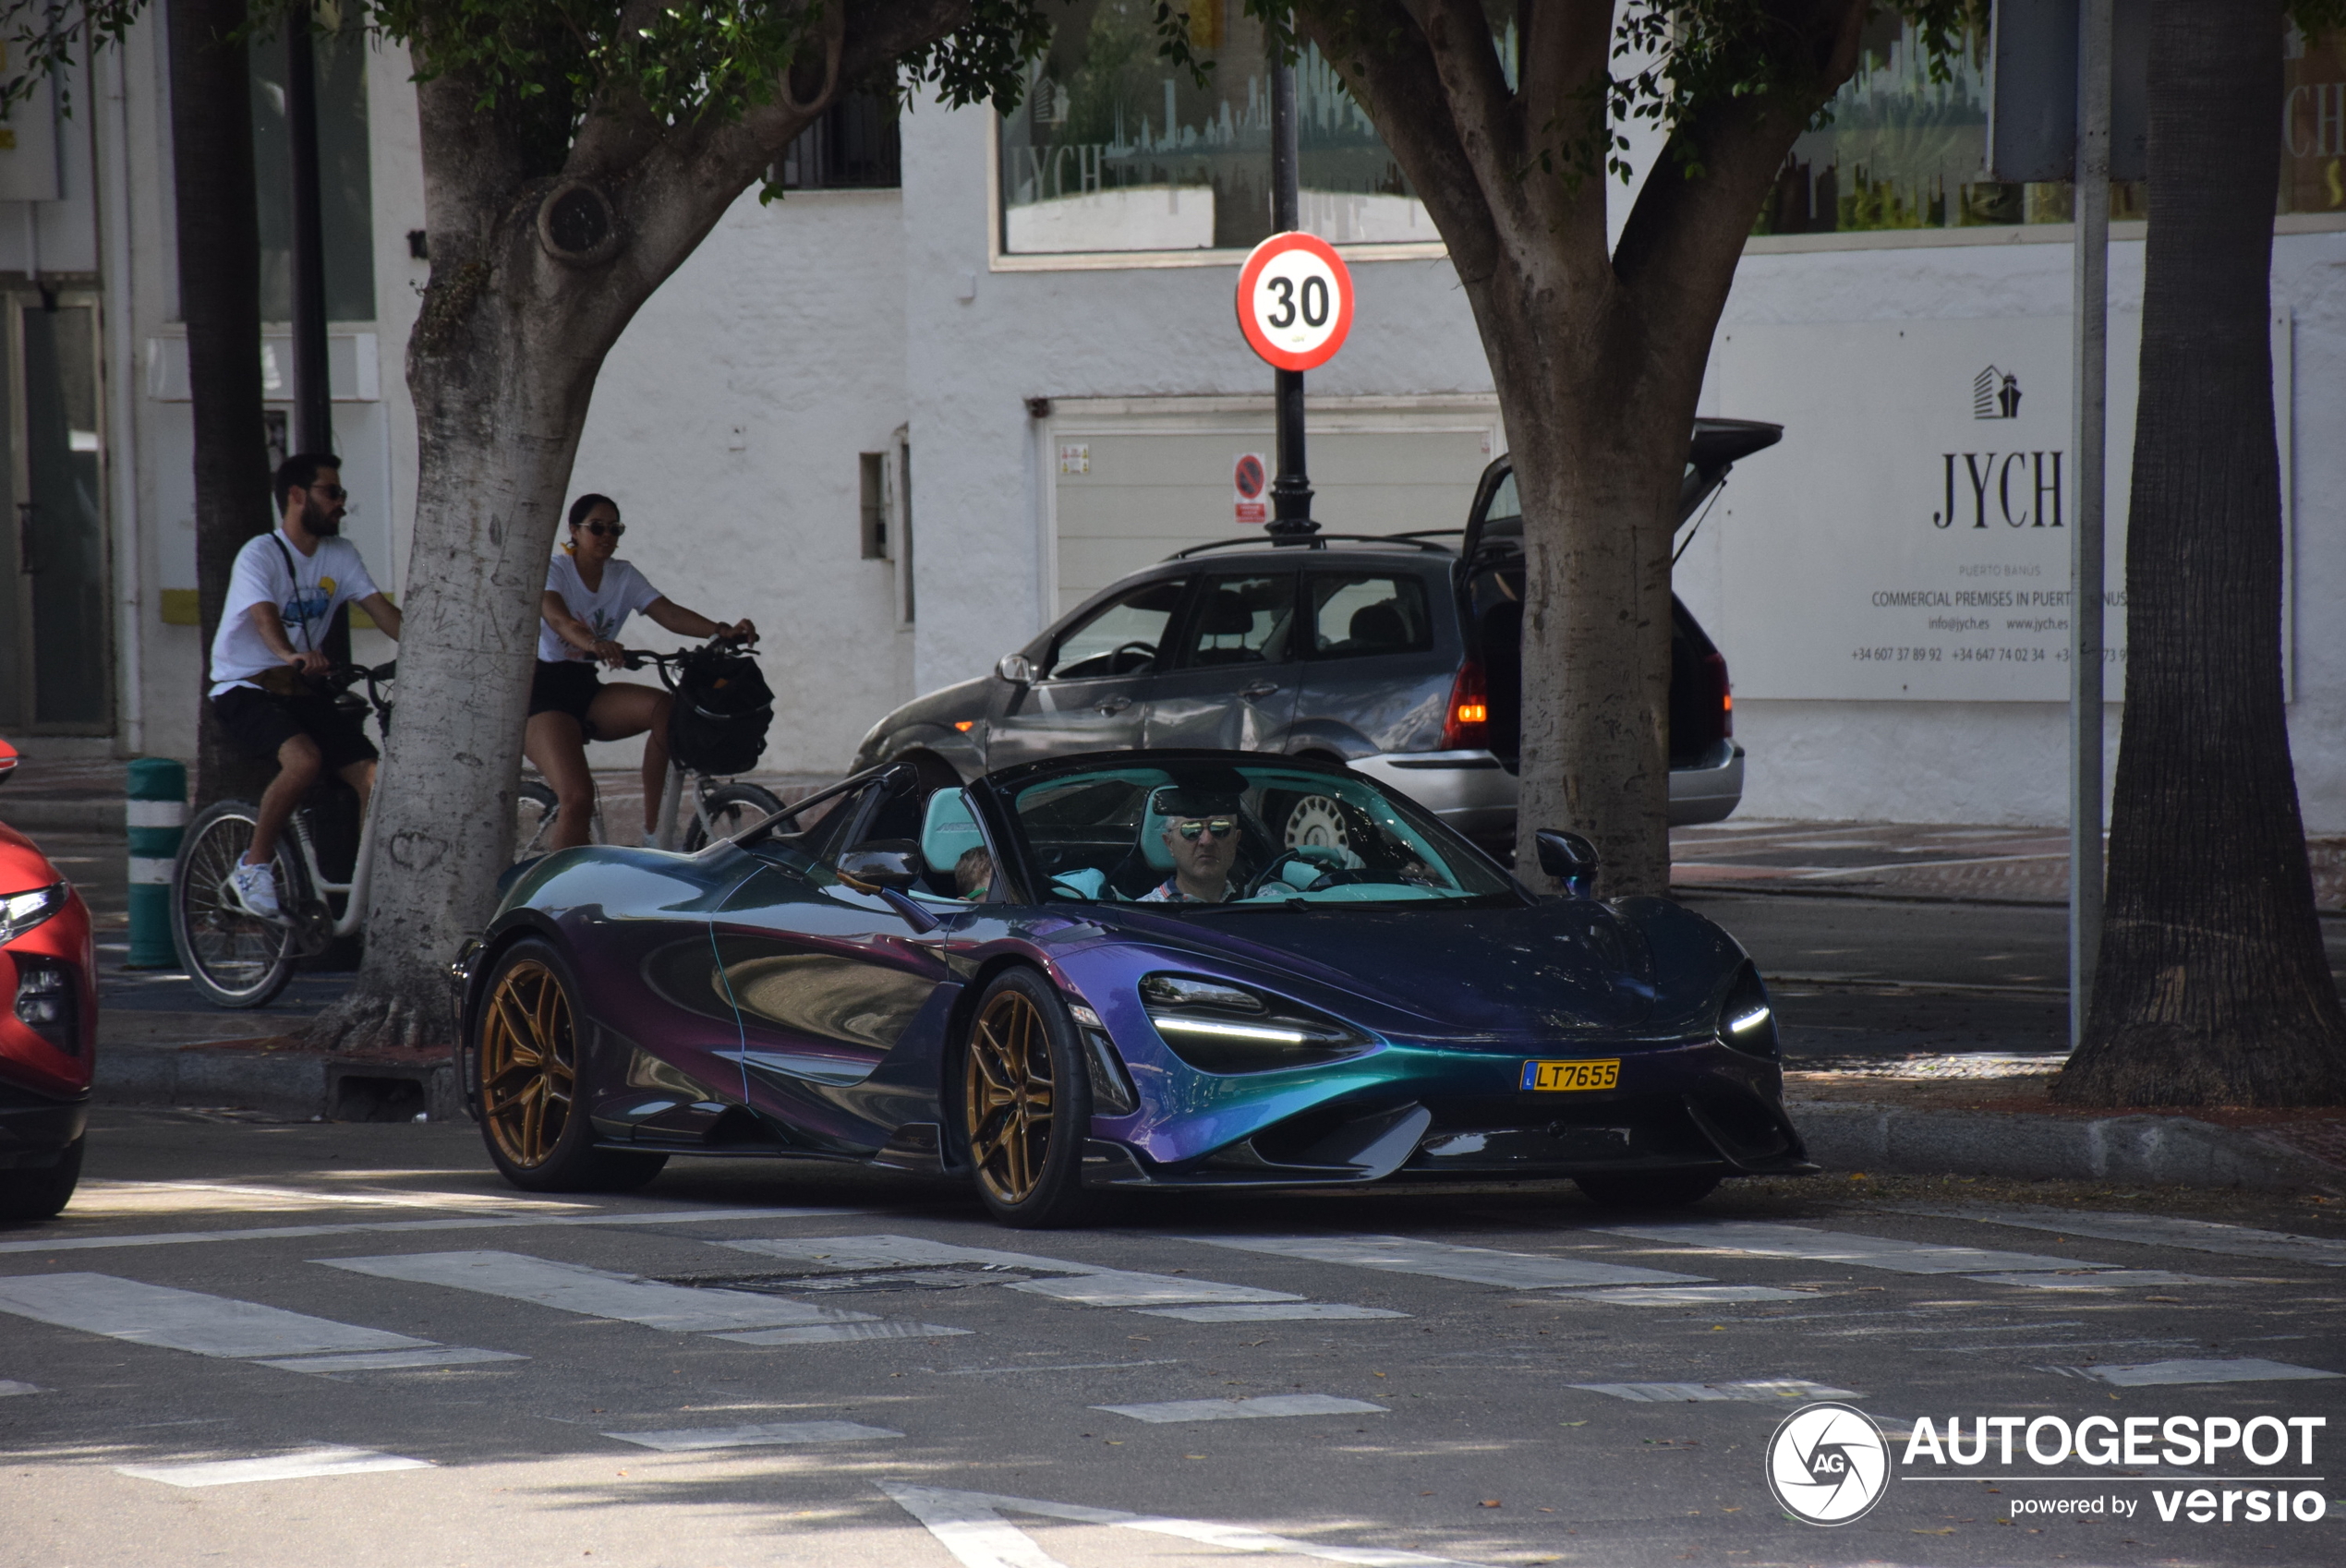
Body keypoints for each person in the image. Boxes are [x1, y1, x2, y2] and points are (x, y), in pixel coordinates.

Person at [207, 452, 404, 918]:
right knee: (304, 761)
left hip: (296, 688)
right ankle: (252, 868)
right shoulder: (261, 554)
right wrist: (288, 654)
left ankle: (368, 890)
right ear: (297, 496)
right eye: (331, 493)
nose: (341, 504)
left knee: (374, 777)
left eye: (342, 495)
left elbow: (382, 612)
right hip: (245, 686)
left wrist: (433, 652)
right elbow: (264, 616)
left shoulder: (341, 555)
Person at [527, 493, 757, 850]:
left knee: (666, 710)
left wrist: (721, 630)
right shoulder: (555, 570)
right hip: (542, 692)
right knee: (577, 797)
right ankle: (555, 897)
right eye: (597, 527)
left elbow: (670, 614)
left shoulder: (623, 575)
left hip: (585, 687)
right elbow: (558, 619)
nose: (607, 535)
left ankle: (654, 833)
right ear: (574, 531)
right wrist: (593, 644)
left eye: (615, 529)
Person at [1138, 787, 1243, 903]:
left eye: (1220, 828)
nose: (1207, 841)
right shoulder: (1142, 914)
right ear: (1169, 843)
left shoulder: (1259, 901)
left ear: (1236, 839)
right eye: (1191, 830)